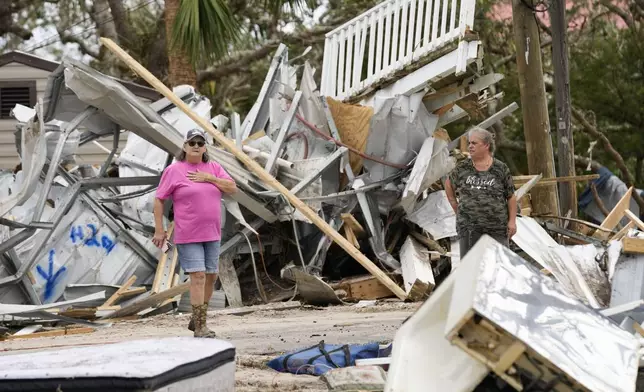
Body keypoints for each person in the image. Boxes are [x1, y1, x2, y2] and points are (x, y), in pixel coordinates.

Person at [152, 128, 237, 338]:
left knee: (211, 276)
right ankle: (200, 326)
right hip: (188, 233)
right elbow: (159, 199)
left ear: (205, 147)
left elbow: (232, 188)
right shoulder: (174, 170)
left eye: (200, 143)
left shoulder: (214, 168)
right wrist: (160, 230)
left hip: (213, 233)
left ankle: (197, 318)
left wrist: (209, 178)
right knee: (197, 276)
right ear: (184, 146)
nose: (196, 146)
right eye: (192, 143)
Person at [445, 127, 517, 258]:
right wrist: (456, 206)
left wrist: (512, 221)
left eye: (474, 143)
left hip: (497, 228)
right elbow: (448, 184)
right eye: (469, 143)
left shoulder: (500, 168)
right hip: (469, 229)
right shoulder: (462, 168)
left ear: (486, 145)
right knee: (471, 269)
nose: (470, 146)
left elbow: (511, 196)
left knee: (499, 267)